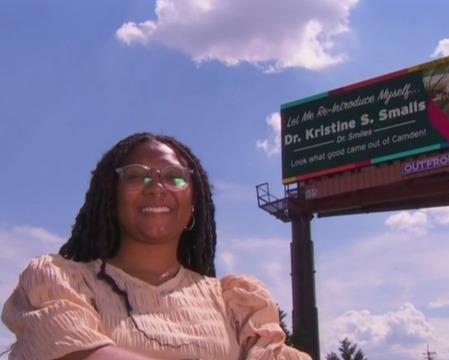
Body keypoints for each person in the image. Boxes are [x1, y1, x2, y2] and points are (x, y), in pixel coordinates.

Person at [1, 133, 311, 360]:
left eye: (175, 178)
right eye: (137, 176)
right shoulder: (60, 282)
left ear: (194, 206)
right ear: (110, 199)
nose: (157, 188)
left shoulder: (237, 303)